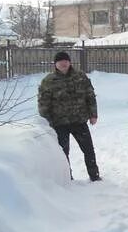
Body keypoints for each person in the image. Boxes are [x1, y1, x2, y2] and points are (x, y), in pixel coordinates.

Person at [38, 51, 100, 181]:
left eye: (65, 61)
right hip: (59, 123)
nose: (63, 63)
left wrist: (93, 114)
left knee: (88, 150)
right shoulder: (48, 81)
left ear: (70, 62)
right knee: (63, 153)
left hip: (79, 121)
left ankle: (94, 175)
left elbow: (90, 96)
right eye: (60, 61)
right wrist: (46, 122)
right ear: (55, 64)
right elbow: (43, 104)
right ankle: (67, 178)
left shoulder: (80, 76)